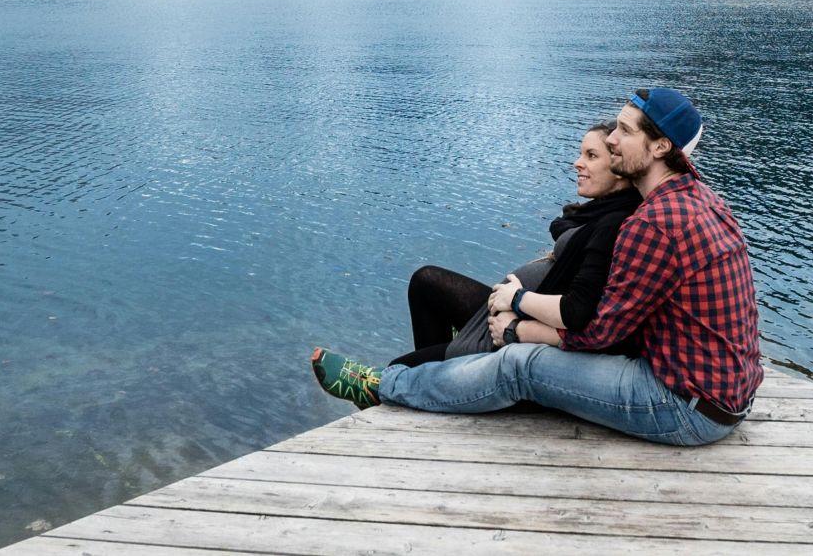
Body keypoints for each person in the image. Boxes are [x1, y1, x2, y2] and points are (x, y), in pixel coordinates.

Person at [312, 87, 762, 448]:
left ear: (661, 146)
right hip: (719, 393)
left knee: (519, 367)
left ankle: (382, 386)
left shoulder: (655, 222)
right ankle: (420, 386)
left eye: (624, 131)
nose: (610, 139)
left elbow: (597, 332)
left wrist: (516, 326)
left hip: (682, 407)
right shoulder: (697, 197)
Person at [393, 121, 640, 367]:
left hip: (516, 329)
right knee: (425, 282)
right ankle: (436, 377)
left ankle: (439, 375)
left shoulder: (613, 224)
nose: (577, 163)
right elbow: (564, 226)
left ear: (619, 166)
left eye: (591, 156)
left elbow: (579, 310)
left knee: (400, 368)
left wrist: (518, 304)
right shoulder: (598, 213)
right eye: (580, 153)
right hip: (513, 312)